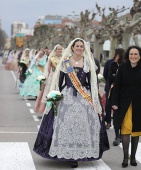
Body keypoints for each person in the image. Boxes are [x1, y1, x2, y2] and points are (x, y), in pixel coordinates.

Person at [33, 38, 109, 168]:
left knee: (82, 125)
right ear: (72, 47)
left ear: (84, 49)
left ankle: (80, 153)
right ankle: (65, 152)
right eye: (77, 46)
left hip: (84, 97)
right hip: (67, 96)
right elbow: (59, 82)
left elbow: (91, 83)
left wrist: (94, 100)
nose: (79, 48)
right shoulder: (65, 62)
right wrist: (55, 97)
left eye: (81, 46)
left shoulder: (88, 63)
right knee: (64, 124)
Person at [110, 45, 141, 168]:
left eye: (136, 54)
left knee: (136, 131)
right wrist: (114, 102)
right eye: (131, 54)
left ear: (140, 56)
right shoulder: (122, 68)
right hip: (124, 103)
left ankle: (133, 156)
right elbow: (117, 86)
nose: (133, 56)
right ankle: (125, 157)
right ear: (128, 55)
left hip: (139, 104)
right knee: (125, 130)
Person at [34, 44, 63, 113]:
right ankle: (49, 109)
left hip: (61, 76)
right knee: (50, 91)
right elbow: (48, 69)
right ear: (55, 50)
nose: (60, 50)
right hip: (52, 77)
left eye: (61, 49)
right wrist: (46, 77)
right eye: (58, 49)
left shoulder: (64, 58)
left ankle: (59, 108)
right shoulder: (52, 58)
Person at [107, 48, 125, 146]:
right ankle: (117, 136)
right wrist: (117, 77)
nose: (115, 56)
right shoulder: (113, 64)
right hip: (114, 91)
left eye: (116, 54)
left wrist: (116, 76)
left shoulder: (126, 65)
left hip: (125, 92)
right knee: (116, 114)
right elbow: (109, 76)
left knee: (123, 114)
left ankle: (123, 134)